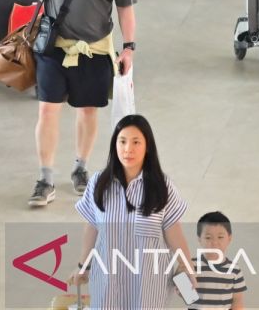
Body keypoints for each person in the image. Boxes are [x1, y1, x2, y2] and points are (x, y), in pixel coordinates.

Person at [0, 0, 137, 206]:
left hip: (94, 49)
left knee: (88, 110)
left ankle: (81, 168)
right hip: (53, 47)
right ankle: (45, 178)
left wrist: (128, 47)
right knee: (47, 109)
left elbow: (125, 7)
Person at [68, 116, 195, 306]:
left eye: (136, 142)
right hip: (107, 284)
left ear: (147, 147)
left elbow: (173, 232)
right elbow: (93, 227)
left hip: (149, 287)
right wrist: (83, 266)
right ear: (114, 145)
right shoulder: (98, 184)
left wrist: (187, 268)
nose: (128, 149)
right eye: (122, 141)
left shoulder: (162, 186)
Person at [191, 211, 249, 310]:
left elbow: (237, 302)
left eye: (220, 237)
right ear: (200, 239)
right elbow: (186, 295)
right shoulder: (192, 265)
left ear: (229, 238)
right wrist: (181, 273)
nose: (214, 242)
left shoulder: (235, 270)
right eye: (208, 237)